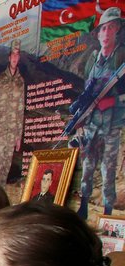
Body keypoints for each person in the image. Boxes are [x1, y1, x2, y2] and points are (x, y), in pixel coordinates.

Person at [77, 7, 125, 219]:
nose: (107, 32)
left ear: (117, 30)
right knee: (87, 167)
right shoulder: (93, 59)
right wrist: (81, 117)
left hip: (112, 124)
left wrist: (112, 101)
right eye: (103, 28)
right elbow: (86, 93)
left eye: (111, 27)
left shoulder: (120, 58)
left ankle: (107, 212)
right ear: (98, 34)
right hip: (92, 125)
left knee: (108, 169)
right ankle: (83, 207)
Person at [0, 39, 24, 186]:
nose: (15, 58)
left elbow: (21, 110)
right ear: (9, 58)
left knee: (6, 169)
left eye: (17, 55)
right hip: (0, 132)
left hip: (12, 134)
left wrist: (18, 137)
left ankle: (1, 196)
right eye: (13, 55)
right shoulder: (0, 79)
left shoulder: (20, 82)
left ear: (19, 58)